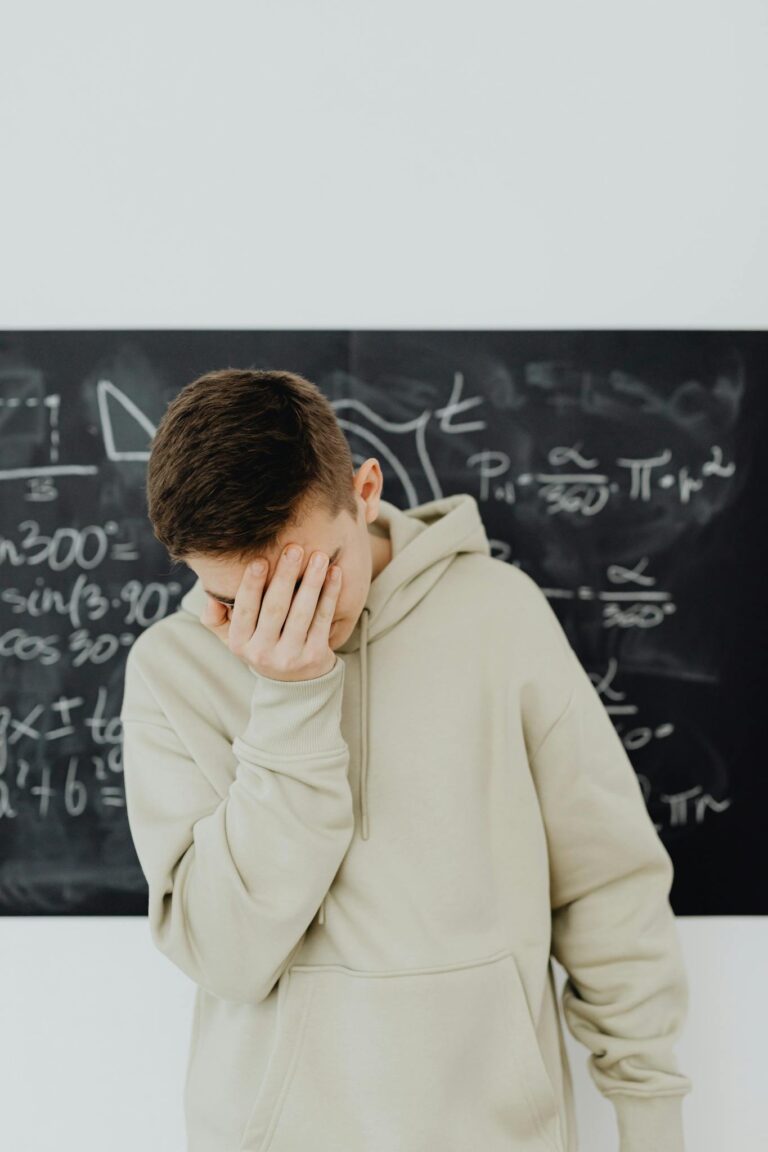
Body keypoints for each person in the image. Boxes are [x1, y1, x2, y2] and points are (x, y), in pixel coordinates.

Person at [120, 368, 693, 1152]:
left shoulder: (498, 613)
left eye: (310, 577)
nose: (282, 620)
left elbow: (606, 885)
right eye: (232, 601)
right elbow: (225, 956)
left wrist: (650, 1115)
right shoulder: (171, 670)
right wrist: (291, 699)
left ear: (364, 491)